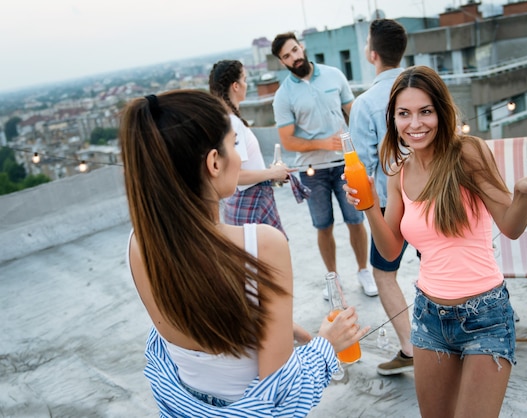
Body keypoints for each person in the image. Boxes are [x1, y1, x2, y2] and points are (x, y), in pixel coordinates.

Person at [345, 66, 527, 417]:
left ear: (441, 111)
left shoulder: (468, 153)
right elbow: (391, 250)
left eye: (425, 111)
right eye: (404, 114)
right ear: (392, 119)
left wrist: (523, 193)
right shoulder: (398, 173)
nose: (415, 124)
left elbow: (511, 227)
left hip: (484, 315)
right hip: (428, 317)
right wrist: (367, 207)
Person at [121, 90, 368, 416]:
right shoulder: (261, 245)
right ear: (213, 162)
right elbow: (281, 395)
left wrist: (265, 323)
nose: (240, 157)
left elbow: (189, 322)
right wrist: (327, 346)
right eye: (234, 144)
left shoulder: (138, 243)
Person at [271, 32, 377, 298]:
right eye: (287, 56)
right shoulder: (283, 96)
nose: (294, 57)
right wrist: (323, 143)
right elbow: (288, 141)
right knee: (323, 225)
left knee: (356, 219)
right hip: (312, 172)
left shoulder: (334, 75)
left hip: (345, 164)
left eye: (295, 50)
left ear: (302, 47)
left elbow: (355, 114)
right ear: (282, 62)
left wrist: (363, 147)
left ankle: (364, 271)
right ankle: (334, 280)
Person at [349, 18, 414, 376]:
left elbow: (363, 168)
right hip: (434, 194)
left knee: (383, 273)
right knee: (441, 265)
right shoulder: (425, 89)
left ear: (373, 54)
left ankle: (409, 348)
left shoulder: (366, 102)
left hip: (392, 205)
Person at [208, 60, 293, 237]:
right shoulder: (233, 123)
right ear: (235, 86)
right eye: (245, 79)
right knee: (271, 256)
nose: (247, 85)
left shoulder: (224, 120)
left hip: (245, 200)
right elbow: (236, 175)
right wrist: (272, 173)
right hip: (250, 201)